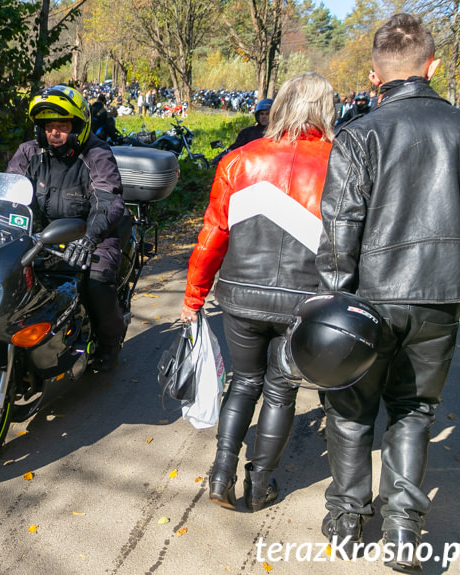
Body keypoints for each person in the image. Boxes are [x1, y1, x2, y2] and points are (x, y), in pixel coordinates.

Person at [315, 13, 460, 572]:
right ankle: (403, 531)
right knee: (414, 412)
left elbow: (340, 230)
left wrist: (334, 304)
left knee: (351, 409)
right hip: (438, 293)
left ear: (372, 77)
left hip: (368, 297)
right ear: (431, 67)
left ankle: (345, 519)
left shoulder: (360, 133)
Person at [179, 73, 336, 512]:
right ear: (326, 110)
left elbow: (212, 236)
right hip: (305, 303)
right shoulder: (340, 163)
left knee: (243, 382)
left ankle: (220, 472)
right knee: (280, 390)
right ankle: (260, 482)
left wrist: (193, 298)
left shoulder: (239, 160)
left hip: (240, 297)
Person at [7, 85, 127, 371]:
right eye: (49, 127)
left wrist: (88, 239)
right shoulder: (30, 152)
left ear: (78, 127)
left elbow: (108, 200)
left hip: (97, 233)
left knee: (97, 282)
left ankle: (110, 343)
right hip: (49, 234)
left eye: (62, 126)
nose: (54, 133)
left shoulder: (96, 153)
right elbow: (8, 194)